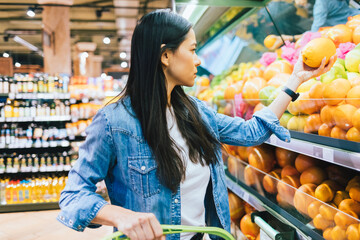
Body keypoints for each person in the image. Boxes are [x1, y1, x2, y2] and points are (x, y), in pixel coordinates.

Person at [57, 9, 335, 240]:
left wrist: (295, 79)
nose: (198, 59)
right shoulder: (112, 122)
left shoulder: (196, 112)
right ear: (166, 56)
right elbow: (72, 197)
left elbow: (252, 133)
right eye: (191, 50)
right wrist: (119, 215)